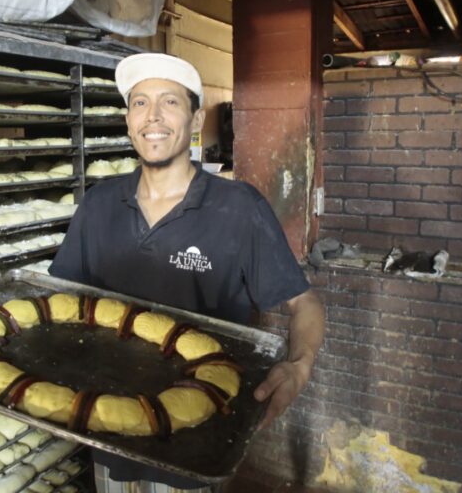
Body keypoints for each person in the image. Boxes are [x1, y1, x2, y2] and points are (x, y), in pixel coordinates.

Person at [49, 53, 325, 493]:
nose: (152, 116)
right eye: (140, 103)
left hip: (195, 441)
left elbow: (303, 301)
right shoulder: (98, 204)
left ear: (196, 120)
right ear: (127, 120)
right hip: (108, 427)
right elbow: (57, 302)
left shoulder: (238, 208)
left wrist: (299, 366)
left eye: (169, 102)